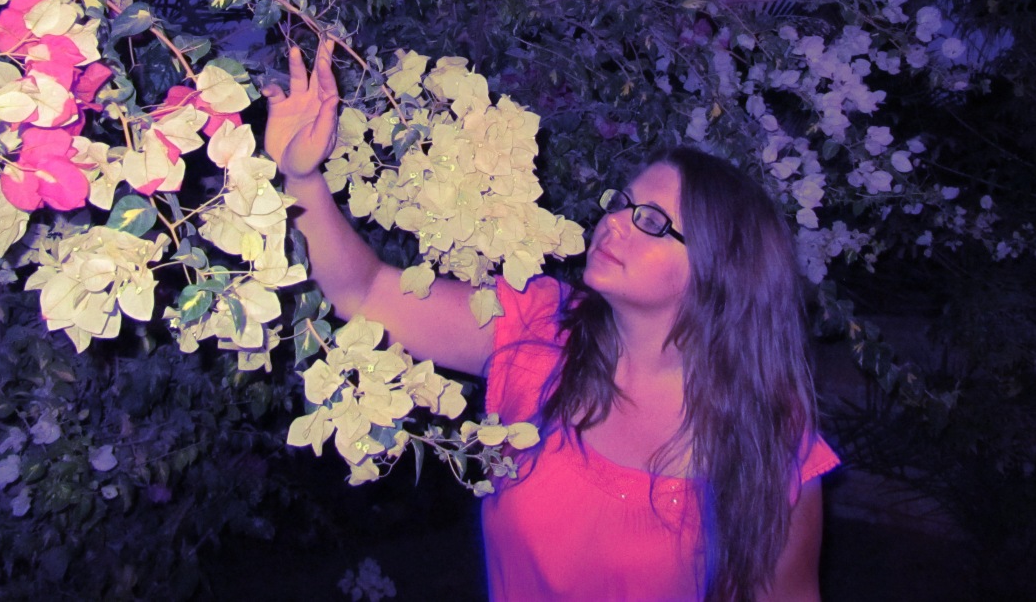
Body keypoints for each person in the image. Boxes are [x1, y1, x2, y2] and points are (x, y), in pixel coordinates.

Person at [263, 41, 839, 602]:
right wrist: (302, 177)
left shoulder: (767, 432)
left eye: (652, 221)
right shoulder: (539, 330)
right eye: (622, 203)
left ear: (721, 269)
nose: (615, 222)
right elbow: (363, 292)